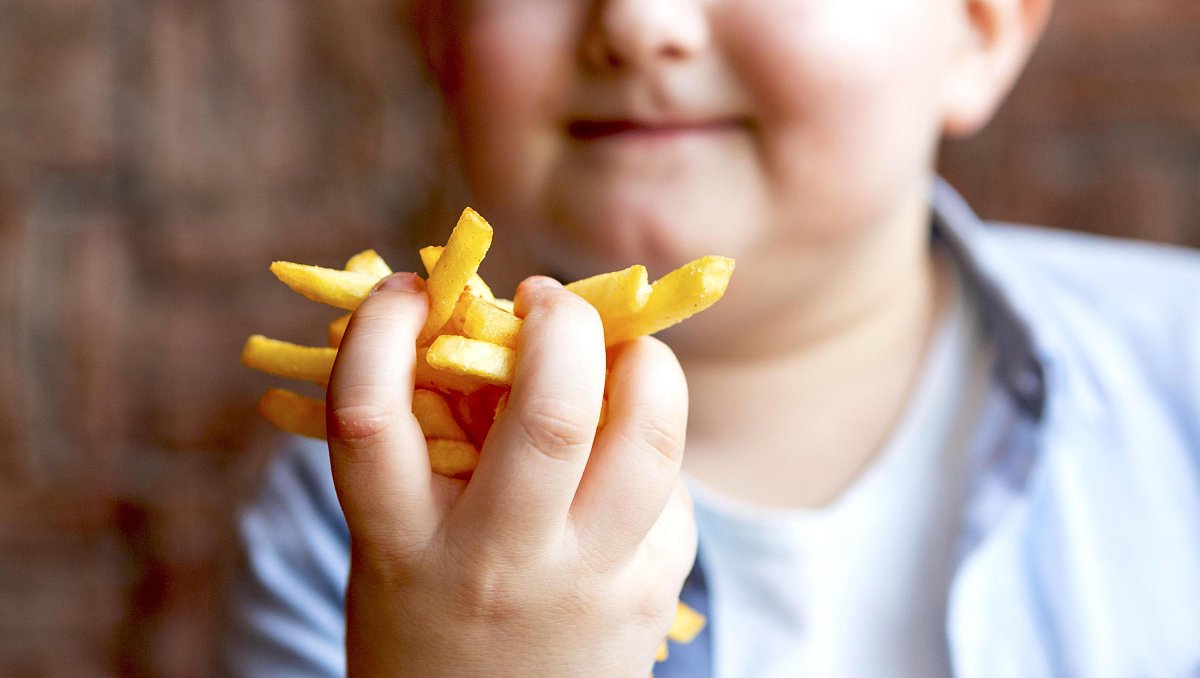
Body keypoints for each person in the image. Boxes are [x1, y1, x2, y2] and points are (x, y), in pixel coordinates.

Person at [221, 0, 1200, 675]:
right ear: (440, 34)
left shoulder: (1179, 372)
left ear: (977, 31)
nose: (638, 24)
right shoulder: (355, 511)